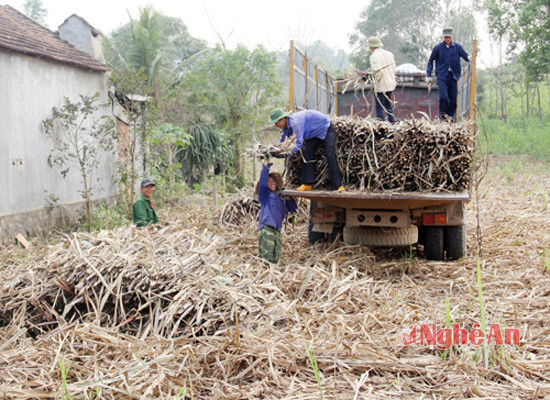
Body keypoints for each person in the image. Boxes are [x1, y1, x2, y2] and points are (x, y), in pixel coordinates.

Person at [269, 108, 344, 192]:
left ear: (282, 119)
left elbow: (298, 144)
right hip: (314, 134)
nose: (275, 125)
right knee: (307, 152)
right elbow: (283, 140)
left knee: (330, 154)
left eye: (276, 122)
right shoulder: (287, 126)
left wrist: (286, 154)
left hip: (326, 127)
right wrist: (275, 150)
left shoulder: (295, 123)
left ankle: (338, 185)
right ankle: (307, 184)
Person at [256, 163, 297, 264]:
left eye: (274, 181)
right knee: (267, 260)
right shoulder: (264, 195)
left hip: (277, 231)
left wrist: (291, 197)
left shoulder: (281, 197)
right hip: (267, 229)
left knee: (275, 258)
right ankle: (265, 278)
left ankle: (272, 277)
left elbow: (292, 207)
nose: (272, 183)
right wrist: (266, 166)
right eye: (269, 181)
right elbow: (262, 182)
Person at [426, 28, 470, 120]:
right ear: (443, 37)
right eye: (446, 37)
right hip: (442, 76)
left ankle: (449, 118)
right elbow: (430, 61)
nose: (447, 39)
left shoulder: (457, 47)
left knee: (453, 101)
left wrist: (471, 57)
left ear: (452, 37)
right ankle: (441, 116)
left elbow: (466, 56)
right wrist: (429, 75)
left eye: (449, 37)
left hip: (453, 76)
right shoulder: (438, 48)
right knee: (444, 97)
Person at [368, 36, 396, 123]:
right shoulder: (390, 54)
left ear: (371, 47)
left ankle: (381, 124)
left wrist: (376, 82)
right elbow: (394, 70)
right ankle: (392, 122)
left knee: (379, 106)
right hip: (391, 84)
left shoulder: (374, 56)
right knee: (388, 104)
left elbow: (378, 72)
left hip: (382, 85)